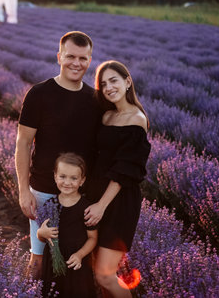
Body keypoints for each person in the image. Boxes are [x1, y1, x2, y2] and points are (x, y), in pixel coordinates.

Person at [15, 31, 102, 279]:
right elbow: (23, 143)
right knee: (39, 258)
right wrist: (23, 190)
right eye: (71, 56)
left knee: (76, 260)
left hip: (80, 195)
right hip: (43, 190)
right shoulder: (39, 94)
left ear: (90, 60)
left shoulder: (94, 100)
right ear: (59, 57)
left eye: (83, 58)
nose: (77, 63)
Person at [84, 60, 151, 297]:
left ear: (127, 81)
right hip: (94, 195)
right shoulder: (106, 116)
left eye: (114, 80)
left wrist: (101, 205)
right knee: (96, 271)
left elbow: (126, 170)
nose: (109, 87)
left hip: (119, 202)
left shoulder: (136, 119)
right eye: (103, 84)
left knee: (105, 274)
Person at [37, 153, 98, 297]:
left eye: (73, 178)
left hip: (75, 261)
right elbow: (42, 235)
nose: (67, 182)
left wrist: (80, 255)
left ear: (82, 181)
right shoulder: (50, 205)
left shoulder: (86, 208)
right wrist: (41, 233)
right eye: (62, 176)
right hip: (53, 260)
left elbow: (93, 238)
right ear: (55, 176)